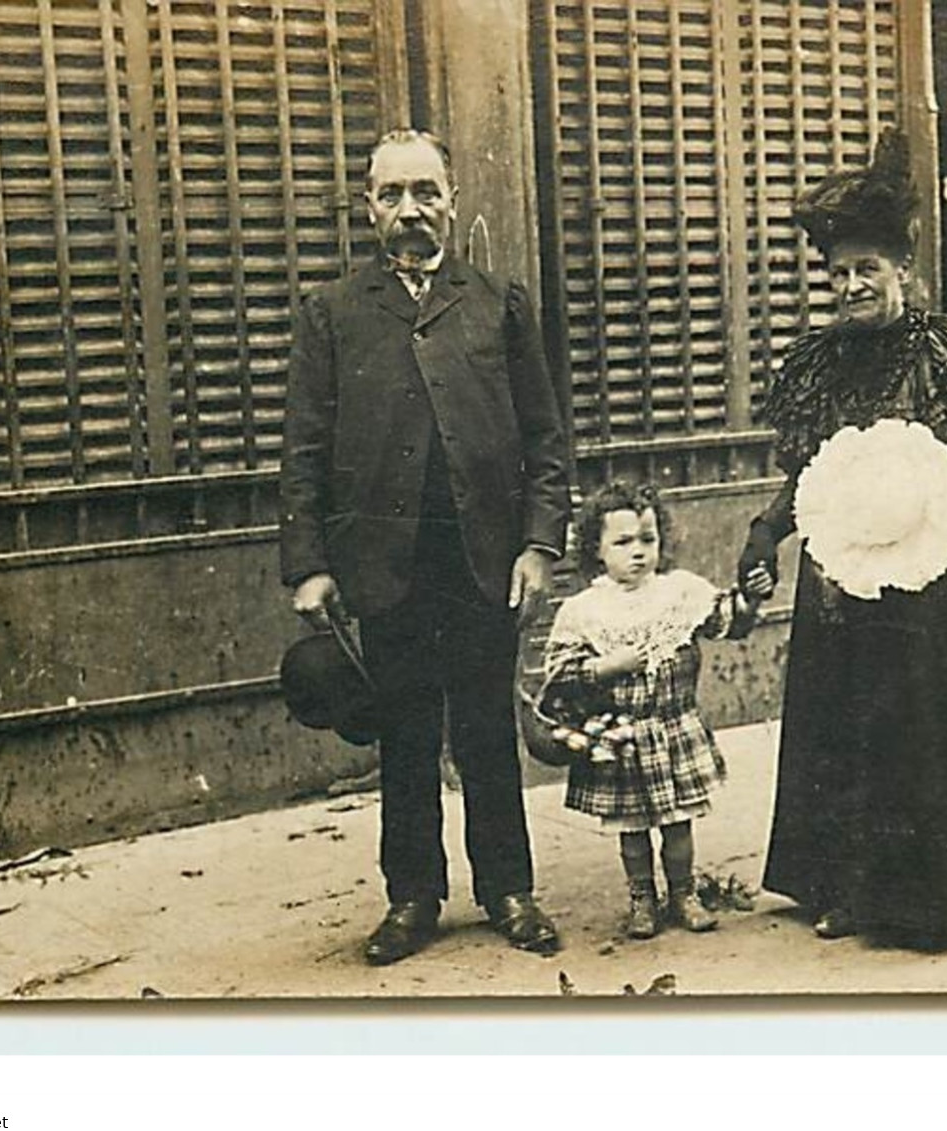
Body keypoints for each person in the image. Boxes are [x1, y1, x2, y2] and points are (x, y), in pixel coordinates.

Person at [735, 129, 947, 951]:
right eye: (836, 273)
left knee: (922, 726)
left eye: (864, 269)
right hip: (839, 579)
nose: (849, 286)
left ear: (902, 268)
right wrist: (767, 533)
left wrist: (924, 497)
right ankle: (848, 889)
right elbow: (804, 475)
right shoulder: (815, 366)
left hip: (930, 574)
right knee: (846, 722)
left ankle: (946, 894)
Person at [279, 128, 573, 965]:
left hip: (482, 556)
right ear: (369, 207)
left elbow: (546, 440)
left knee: (485, 727)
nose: (411, 210)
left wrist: (538, 544)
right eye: (392, 195)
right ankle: (412, 896)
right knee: (405, 735)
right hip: (385, 563)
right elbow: (302, 448)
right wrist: (309, 564)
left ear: (453, 199)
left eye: (425, 192)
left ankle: (508, 887)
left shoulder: (497, 302)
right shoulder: (331, 315)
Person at [542, 482, 771, 939]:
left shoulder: (680, 594)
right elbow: (560, 676)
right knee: (632, 830)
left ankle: (683, 893)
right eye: (622, 542)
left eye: (647, 539)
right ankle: (641, 898)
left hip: (673, 727)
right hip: (623, 737)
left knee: (678, 823)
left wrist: (750, 597)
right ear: (596, 549)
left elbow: (725, 620)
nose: (638, 552)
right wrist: (608, 666)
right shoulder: (585, 610)